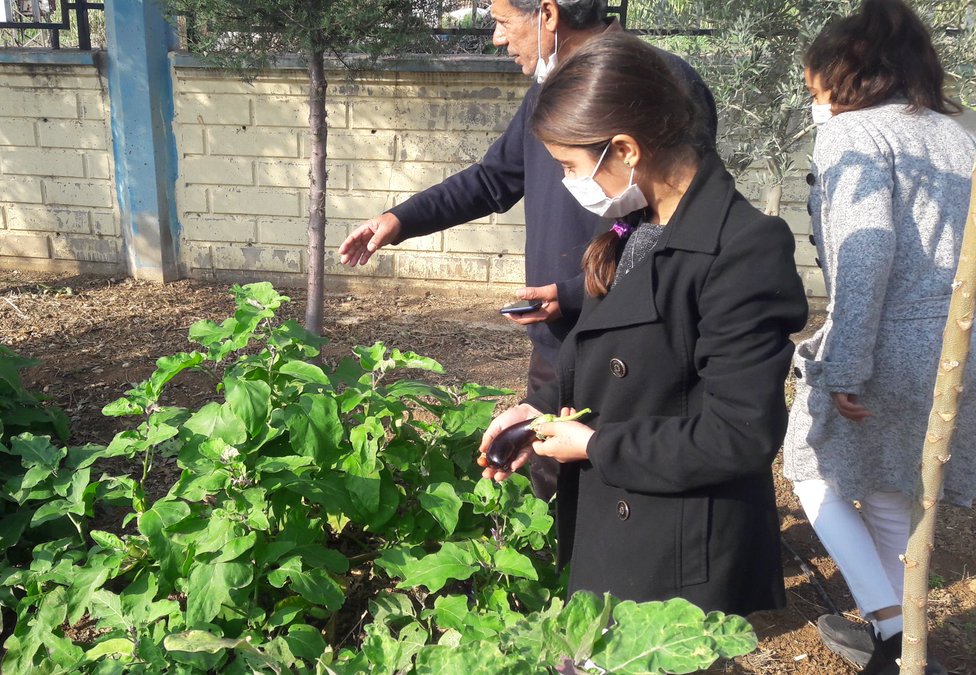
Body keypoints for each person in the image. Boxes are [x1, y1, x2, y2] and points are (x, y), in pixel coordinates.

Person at [477, 31, 808, 615]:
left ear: (626, 150)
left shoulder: (743, 248)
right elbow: (610, 360)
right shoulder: (639, 225)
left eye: (570, 166)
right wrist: (540, 414)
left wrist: (594, 444)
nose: (567, 183)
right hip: (622, 521)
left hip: (678, 548)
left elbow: (740, 435)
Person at [337, 0, 717, 501]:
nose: (497, 38)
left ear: (548, 13)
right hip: (557, 343)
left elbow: (677, 231)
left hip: (634, 343)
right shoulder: (552, 87)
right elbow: (494, 178)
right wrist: (401, 219)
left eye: (501, 22)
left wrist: (577, 293)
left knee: (618, 491)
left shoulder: (657, 82)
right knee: (550, 489)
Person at [782, 1, 976, 672]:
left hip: (887, 343)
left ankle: (891, 634)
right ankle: (905, 641)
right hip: (956, 344)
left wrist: (845, 365)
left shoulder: (853, 133)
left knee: (810, 470)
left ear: (842, 74)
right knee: (892, 486)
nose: (814, 100)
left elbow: (866, 254)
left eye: (813, 85)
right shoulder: (957, 132)